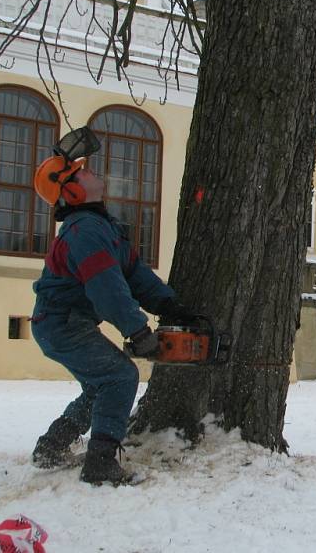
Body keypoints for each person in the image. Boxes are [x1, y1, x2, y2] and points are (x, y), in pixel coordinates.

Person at [30, 147, 193, 486]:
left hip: (59, 323)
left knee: (98, 386)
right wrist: (137, 330)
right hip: (61, 323)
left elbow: (132, 274)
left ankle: (51, 446)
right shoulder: (86, 231)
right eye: (80, 173)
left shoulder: (102, 227)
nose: (89, 171)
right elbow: (106, 286)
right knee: (120, 377)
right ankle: (101, 463)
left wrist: (169, 306)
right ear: (72, 191)